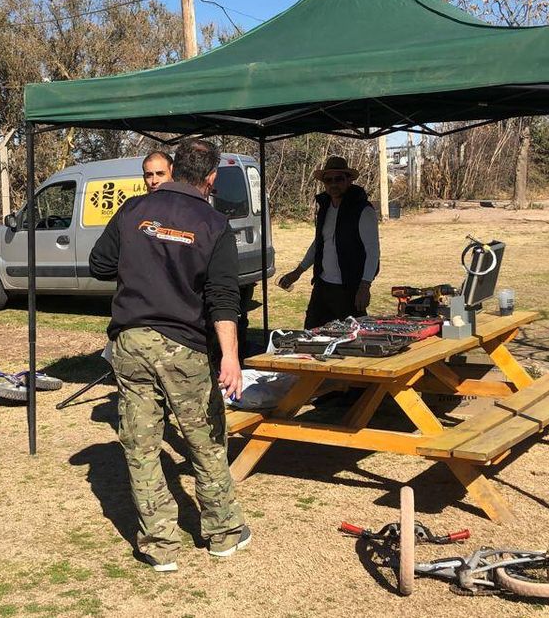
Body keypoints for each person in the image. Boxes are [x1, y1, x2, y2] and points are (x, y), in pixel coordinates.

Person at [89, 138, 249, 572]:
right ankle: (223, 533)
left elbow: (100, 264)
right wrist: (230, 358)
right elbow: (222, 299)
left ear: (174, 168)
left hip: (131, 342)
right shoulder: (215, 224)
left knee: (140, 446)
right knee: (205, 440)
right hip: (184, 348)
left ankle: (160, 544)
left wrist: (143, 262)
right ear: (211, 177)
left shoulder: (133, 211)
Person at [277, 156, 380, 329]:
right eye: (328, 180)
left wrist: (365, 285)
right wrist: (298, 271)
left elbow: (373, 251)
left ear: (349, 180)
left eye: (338, 179)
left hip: (350, 288)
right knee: (311, 335)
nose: (333, 184)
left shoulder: (363, 210)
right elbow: (319, 243)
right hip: (323, 287)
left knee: (353, 338)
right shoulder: (324, 208)